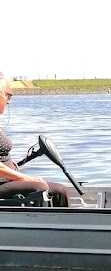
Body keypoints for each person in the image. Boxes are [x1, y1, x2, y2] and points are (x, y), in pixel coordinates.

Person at [0, 74, 70, 202]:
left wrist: (11, 163)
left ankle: (64, 221)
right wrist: (24, 178)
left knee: (60, 190)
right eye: (8, 95)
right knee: (40, 186)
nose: (9, 101)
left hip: (6, 180)